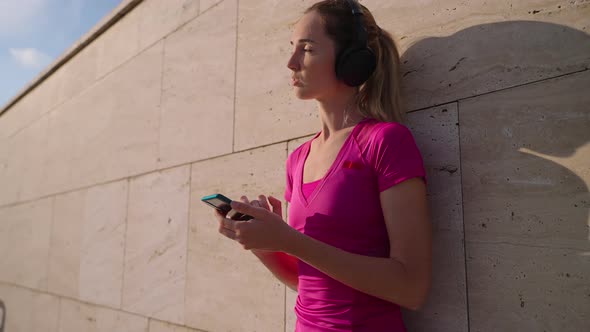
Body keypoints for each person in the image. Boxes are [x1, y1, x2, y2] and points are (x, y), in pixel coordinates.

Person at [214, 0, 432, 330]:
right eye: (292, 49)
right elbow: (310, 282)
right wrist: (264, 243)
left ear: (351, 61)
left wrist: (289, 240)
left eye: (307, 49)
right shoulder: (298, 159)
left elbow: (410, 288)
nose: (291, 63)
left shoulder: (386, 141)